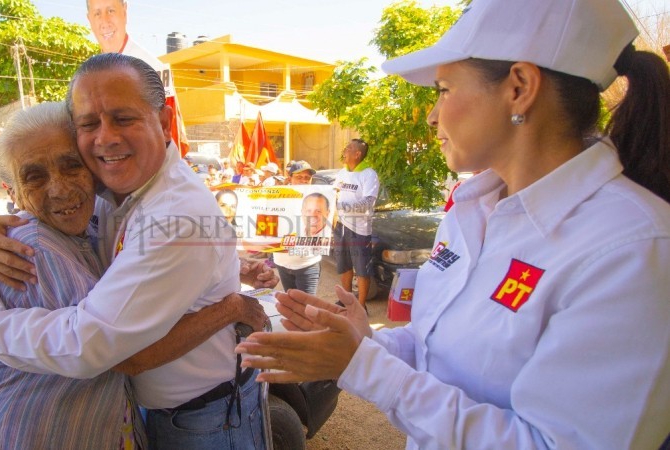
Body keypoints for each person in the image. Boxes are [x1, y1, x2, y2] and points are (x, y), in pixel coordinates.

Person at [236, 0, 670, 448]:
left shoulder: (631, 247)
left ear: (519, 87)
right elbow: (438, 350)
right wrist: (360, 345)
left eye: (443, 89)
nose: (431, 115)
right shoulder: (471, 212)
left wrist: (362, 366)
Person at [0, 54, 272, 449]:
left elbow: (103, 350)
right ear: (12, 192)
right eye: (88, 124)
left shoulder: (172, 214)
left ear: (165, 121)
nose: (105, 137)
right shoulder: (111, 190)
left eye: (123, 118)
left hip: (202, 420)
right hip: (153, 415)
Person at [0, 102, 148, 449]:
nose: (60, 189)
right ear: (12, 193)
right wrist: (231, 308)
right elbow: (124, 354)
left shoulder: (90, 224)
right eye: (35, 177)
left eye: (71, 165)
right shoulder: (36, 247)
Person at [333, 138, 379, 308]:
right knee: (344, 266)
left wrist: (341, 206)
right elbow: (334, 194)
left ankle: (361, 305)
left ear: (357, 154)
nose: (344, 151)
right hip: (341, 226)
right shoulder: (342, 173)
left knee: (362, 269)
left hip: (359, 228)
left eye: (348, 148)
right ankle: (346, 301)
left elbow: (368, 203)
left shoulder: (369, 174)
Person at [273, 161, 325, 295]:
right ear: (290, 178)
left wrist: (334, 200)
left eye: (307, 178)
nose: (303, 181)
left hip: (308, 264)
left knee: (307, 309)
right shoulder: (277, 198)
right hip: (282, 263)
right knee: (292, 306)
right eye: (299, 177)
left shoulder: (319, 198)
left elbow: (329, 225)